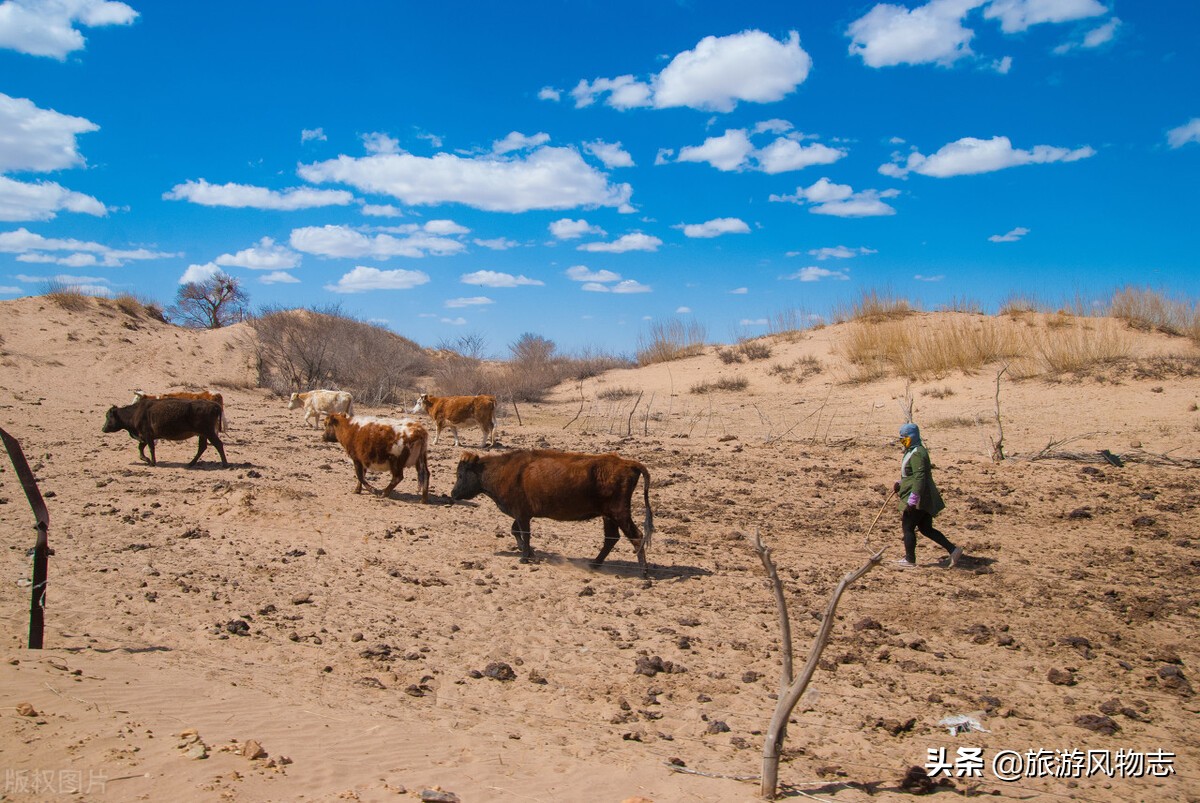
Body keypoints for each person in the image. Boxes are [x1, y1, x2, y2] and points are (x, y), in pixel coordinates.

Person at [893, 422, 963, 569]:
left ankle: (910, 559)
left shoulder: (918, 453)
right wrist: (900, 483)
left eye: (905, 438)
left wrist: (912, 500)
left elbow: (920, 478)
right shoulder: (912, 451)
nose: (903, 441)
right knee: (926, 528)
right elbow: (911, 474)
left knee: (908, 526)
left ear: (912, 437)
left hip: (919, 497)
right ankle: (953, 550)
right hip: (921, 496)